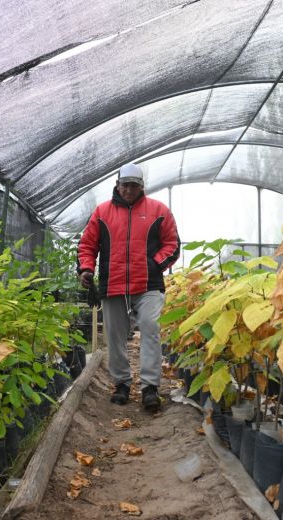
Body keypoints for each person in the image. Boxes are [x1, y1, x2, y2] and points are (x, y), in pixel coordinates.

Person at [77, 163, 180, 412]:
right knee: (114, 336)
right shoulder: (102, 212)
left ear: (142, 187)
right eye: (125, 185)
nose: (129, 190)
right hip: (112, 285)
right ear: (117, 184)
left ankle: (149, 387)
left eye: (134, 186)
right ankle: (121, 383)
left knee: (151, 328)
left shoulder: (159, 211)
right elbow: (87, 245)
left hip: (149, 284)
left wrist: (155, 264)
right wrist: (87, 269)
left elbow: (172, 244)